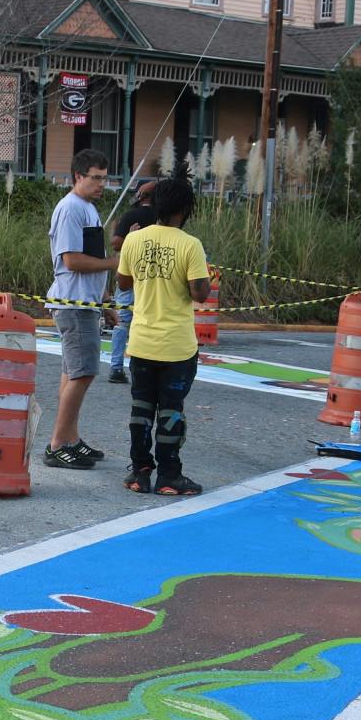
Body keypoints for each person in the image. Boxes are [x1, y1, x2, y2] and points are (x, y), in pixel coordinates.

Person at [115, 174, 214, 497]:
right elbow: (199, 293)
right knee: (171, 410)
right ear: (184, 209)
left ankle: (139, 472)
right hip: (176, 346)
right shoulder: (190, 245)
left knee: (141, 408)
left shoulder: (134, 240)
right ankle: (170, 475)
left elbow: (123, 284)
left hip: (142, 342)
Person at [43, 149, 117, 470]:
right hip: (73, 303)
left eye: (104, 177)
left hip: (86, 302)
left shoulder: (88, 209)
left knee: (73, 372)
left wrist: (106, 300)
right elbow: (71, 259)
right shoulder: (70, 209)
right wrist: (117, 262)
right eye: (95, 177)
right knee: (83, 372)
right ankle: (58, 443)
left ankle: (70, 438)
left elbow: (93, 259)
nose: (102, 183)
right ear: (78, 177)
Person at [107, 179, 157, 384]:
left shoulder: (131, 216)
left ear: (141, 196)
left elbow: (116, 244)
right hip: (154, 278)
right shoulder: (163, 218)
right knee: (151, 322)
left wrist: (116, 231)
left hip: (129, 275)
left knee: (122, 322)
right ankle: (147, 368)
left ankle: (116, 367)